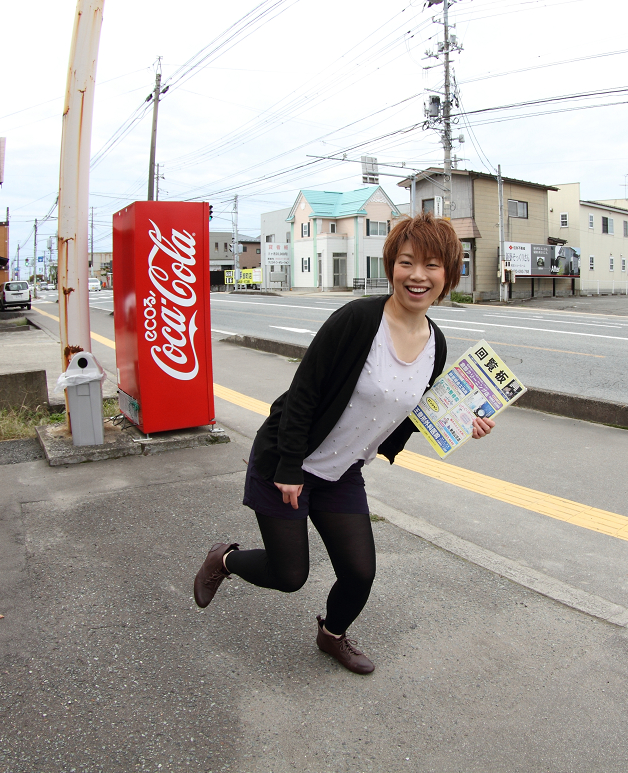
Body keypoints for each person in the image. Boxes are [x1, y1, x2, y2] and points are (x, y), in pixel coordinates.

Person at [193, 212, 495, 674]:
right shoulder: (357, 320)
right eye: (407, 262)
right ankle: (225, 559)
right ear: (391, 266)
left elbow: (410, 409)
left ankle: (331, 635)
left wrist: (460, 419)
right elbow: (304, 392)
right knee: (289, 575)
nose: (417, 275)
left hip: (341, 471)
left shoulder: (436, 342)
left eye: (432, 265)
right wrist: (289, 466)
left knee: (359, 572)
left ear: (448, 274)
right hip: (288, 459)